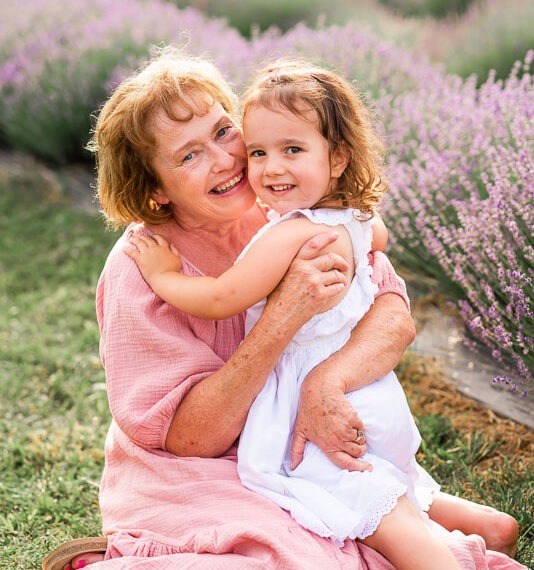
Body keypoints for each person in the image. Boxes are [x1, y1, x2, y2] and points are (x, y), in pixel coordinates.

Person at [42, 48, 521, 570]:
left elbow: (393, 312)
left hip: (300, 440)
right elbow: (191, 438)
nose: (226, 159)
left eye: (224, 132)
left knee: (458, 540)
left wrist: (326, 382)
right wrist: (282, 316)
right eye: (189, 155)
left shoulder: (286, 210)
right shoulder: (142, 266)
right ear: (156, 189)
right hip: (200, 469)